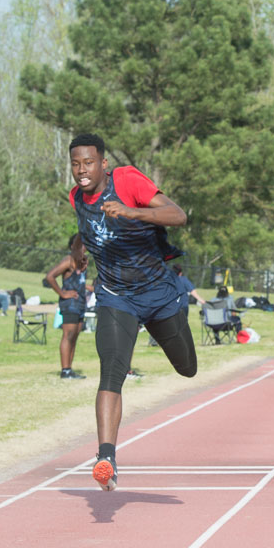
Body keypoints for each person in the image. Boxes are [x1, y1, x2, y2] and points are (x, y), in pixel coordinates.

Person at [68, 133, 198, 491]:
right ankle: (105, 457)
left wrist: (131, 211)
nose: (82, 170)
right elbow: (84, 225)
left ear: (103, 164)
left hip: (158, 294)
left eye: (89, 163)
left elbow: (178, 215)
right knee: (111, 370)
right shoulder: (77, 196)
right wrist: (78, 250)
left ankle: (176, 328)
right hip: (114, 296)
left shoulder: (126, 180)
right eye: (76, 164)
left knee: (187, 368)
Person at [45, 234, 89, 379]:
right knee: (68, 335)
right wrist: (63, 293)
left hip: (81, 303)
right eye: (80, 245)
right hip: (70, 304)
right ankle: (65, 370)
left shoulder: (83, 262)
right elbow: (50, 276)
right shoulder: (68, 261)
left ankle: (69, 369)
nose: (83, 248)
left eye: (85, 245)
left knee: (75, 335)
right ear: (72, 247)